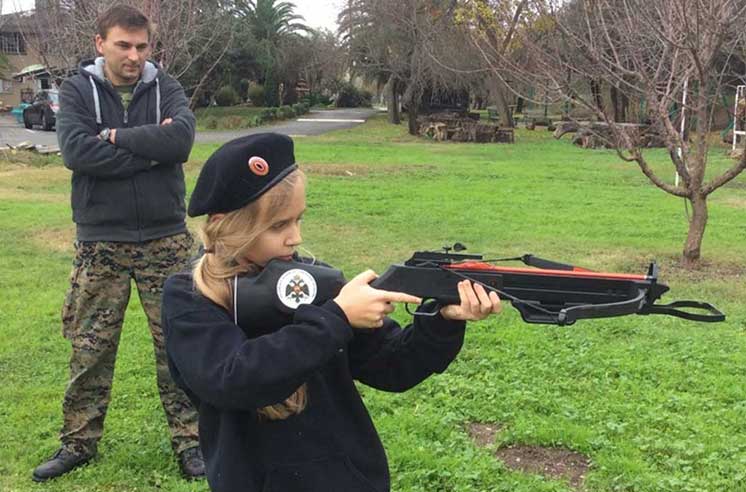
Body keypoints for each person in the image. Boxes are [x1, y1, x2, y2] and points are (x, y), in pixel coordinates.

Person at [161, 132, 502, 492]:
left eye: (298, 219)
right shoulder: (190, 296)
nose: (295, 237)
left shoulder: (311, 279)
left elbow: (394, 367)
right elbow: (234, 380)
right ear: (230, 226)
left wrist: (442, 321)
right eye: (278, 225)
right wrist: (335, 318)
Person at [32, 4, 203, 482]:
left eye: (141, 46)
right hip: (100, 242)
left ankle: (192, 443)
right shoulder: (76, 89)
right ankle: (78, 443)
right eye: (123, 45)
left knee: (179, 346)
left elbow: (181, 143)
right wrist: (149, 151)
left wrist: (114, 139)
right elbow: (77, 152)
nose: (133, 55)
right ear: (100, 43)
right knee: (91, 348)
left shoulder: (165, 87)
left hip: (166, 240)